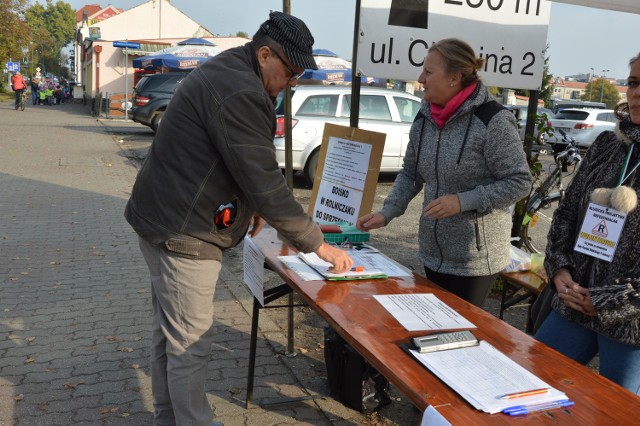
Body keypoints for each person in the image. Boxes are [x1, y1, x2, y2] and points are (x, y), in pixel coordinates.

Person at [124, 11, 353, 425]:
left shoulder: (235, 70)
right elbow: (264, 178)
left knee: (170, 334)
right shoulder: (241, 90)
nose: (293, 81)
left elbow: (233, 161)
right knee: (189, 343)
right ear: (265, 54)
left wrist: (251, 207)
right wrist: (317, 243)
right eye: (291, 71)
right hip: (184, 230)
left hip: (165, 215)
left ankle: (167, 418)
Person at [356, 38, 531, 307]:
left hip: (474, 260)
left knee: (459, 335)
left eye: (428, 71)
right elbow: (411, 174)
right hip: (432, 253)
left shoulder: (492, 120)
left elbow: (520, 182)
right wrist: (387, 212)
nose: (420, 78)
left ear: (454, 78)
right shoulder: (424, 117)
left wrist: (463, 201)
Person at [534, 53, 640, 395]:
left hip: (632, 325)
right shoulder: (608, 144)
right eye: (634, 83)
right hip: (574, 299)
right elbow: (566, 213)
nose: (636, 93)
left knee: (618, 413)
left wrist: (609, 300)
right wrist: (560, 268)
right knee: (531, 378)